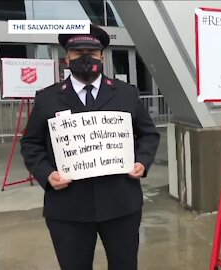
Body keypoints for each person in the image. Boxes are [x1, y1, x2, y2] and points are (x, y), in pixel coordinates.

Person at [20, 25, 160, 270]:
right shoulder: (47, 98)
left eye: (92, 52)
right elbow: (31, 144)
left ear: (102, 56)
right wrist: (47, 174)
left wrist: (142, 161)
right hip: (68, 207)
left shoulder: (127, 94)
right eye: (78, 52)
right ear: (67, 57)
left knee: (125, 265)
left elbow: (148, 134)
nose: (85, 58)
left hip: (120, 203)